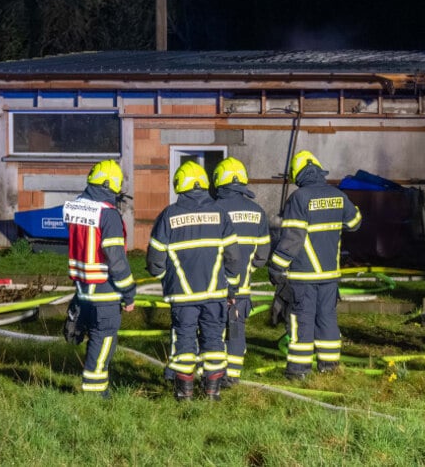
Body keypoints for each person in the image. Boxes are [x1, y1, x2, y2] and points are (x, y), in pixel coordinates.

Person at [146, 161, 243, 401]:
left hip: (182, 296)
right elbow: (233, 256)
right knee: (214, 341)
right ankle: (212, 392)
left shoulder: (169, 215)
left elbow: (154, 260)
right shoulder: (220, 214)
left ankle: (184, 394)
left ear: (179, 184)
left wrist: (166, 278)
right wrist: (231, 285)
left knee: (184, 341)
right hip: (215, 295)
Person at [270, 150, 362, 380]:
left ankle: (298, 371)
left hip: (303, 275)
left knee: (301, 319)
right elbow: (355, 222)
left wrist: (277, 266)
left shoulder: (299, 198)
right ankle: (329, 367)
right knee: (327, 318)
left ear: (298, 175)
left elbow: (293, 237)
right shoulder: (338, 195)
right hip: (330, 274)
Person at [62, 159, 136, 399]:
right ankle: (95, 393)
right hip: (104, 289)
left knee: (94, 335)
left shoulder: (75, 207)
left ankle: (93, 385)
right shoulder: (109, 214)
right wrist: (129, 292)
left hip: (83, 288)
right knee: (104, 338)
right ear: (109, 184)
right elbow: (116, 259)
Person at [211, 157, 271, 388]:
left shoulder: (213, 209)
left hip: (214, 287)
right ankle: (233, 376)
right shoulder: (258, 212)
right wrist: (248, 269)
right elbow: (262, 255)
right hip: (243, 288)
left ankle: (212, 374)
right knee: (236, 332)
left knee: (213, 330)